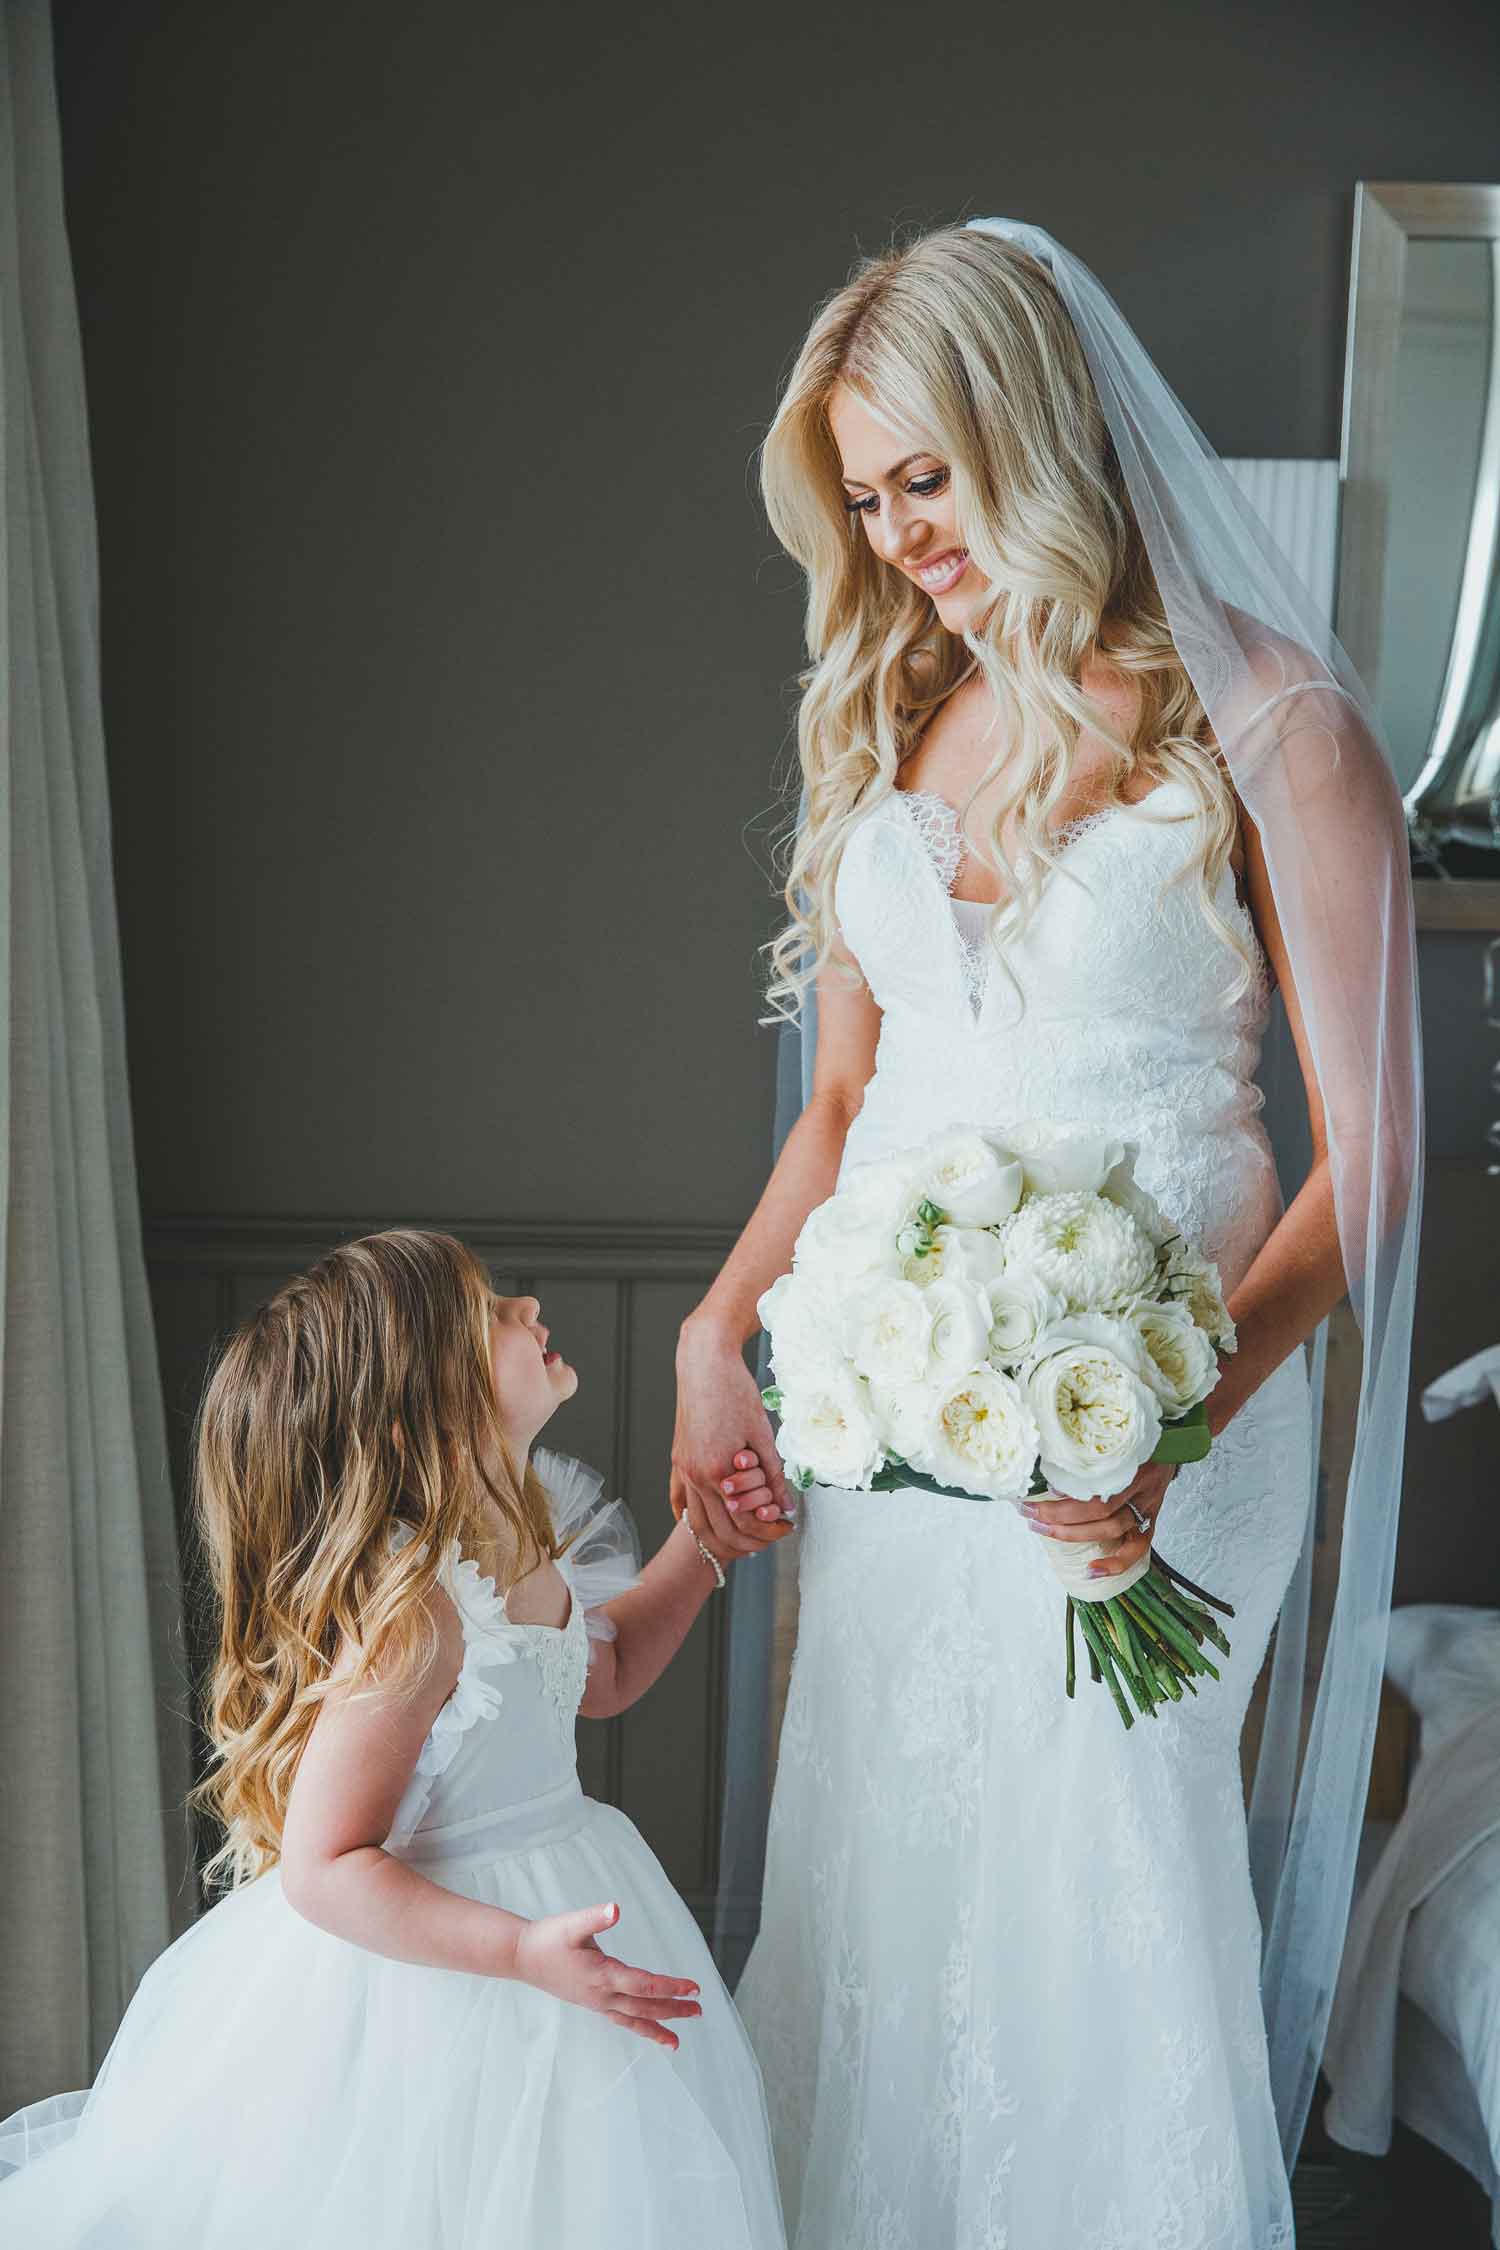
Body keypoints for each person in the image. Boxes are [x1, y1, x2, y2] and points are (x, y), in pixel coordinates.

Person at [671, 221, 1419, 2249]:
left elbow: (1376, 1166)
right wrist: (711, 1334)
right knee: (884, 1887)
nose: (898, 536)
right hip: (908, 1408)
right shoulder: (886, 713)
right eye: (862, 498)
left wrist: (1169, 1424)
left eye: (927, 478)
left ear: (1033, 431)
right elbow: (843, 1107)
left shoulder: (1277, 729)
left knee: (1101, 1894)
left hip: (1178, 1401)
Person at [0, 1228, 789, 2249]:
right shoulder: (417, 1615)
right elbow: (325, 1866)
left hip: (558, 1909)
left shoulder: (516, 1527)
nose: (527, 1311)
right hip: (434, 1976)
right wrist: (515, 1951)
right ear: (435, 1399)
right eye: (494, 1314)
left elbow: (600, 1674)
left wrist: (706, 1543)